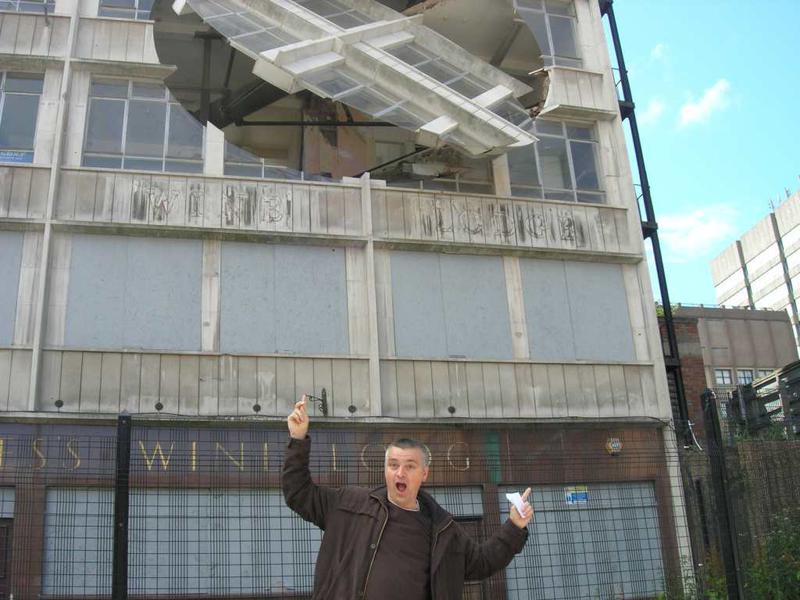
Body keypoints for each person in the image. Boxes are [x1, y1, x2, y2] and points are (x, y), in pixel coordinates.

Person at [283, 395, 533, 599]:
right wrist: (298, 439)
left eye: (409, 466)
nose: (400, 473)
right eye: (393, 465)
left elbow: (481, 562)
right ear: (385, 470)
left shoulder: (443, 530)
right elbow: (299, 494)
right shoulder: (349, 504)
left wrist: (514, 526)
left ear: (424, 473)